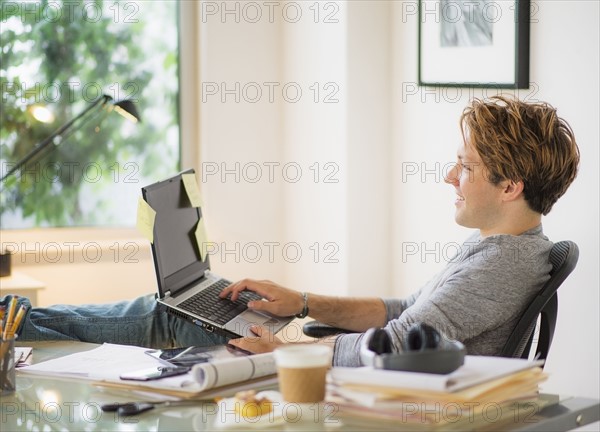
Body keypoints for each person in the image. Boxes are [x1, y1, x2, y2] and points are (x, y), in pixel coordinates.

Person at [3, 96, 580, 367]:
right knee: (210, 300)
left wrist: (286, 349)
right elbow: (409, 311)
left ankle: (15, 322)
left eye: (468, 167)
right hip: (361, 360)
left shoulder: (501, 264)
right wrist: (301, 302)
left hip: (376, 382)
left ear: (511, 186)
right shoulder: (506, 246)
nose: (450, 176)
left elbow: (401, 345)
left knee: (171, 314)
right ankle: (16, 319)